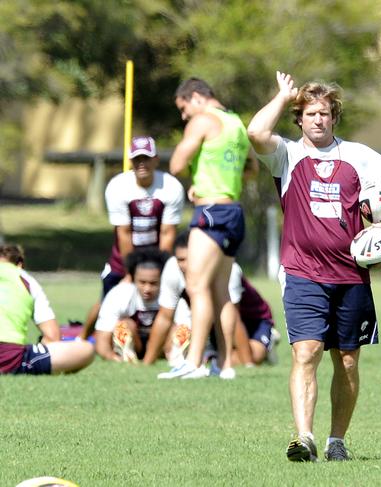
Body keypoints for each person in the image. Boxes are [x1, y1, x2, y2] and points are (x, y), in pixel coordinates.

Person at [247, 71, 381, 461]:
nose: (318, 120)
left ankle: (336, 441)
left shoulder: (359, 156)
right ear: (299, 119)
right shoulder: (287, 156)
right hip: (303, 272)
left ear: (334, 117)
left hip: (351, 275)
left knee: (348, 360)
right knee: (306, 352)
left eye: (324, 113)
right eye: (309, 114)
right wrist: (282, 96)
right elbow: (255, 133)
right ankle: (304, 438)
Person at [158, 78, 256, 380]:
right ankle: (225, 366)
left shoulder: (203, 120)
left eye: (184, 108)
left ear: (197, 98)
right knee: (221, 291)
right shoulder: (236, 123)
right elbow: (250, 167)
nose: (184, 116)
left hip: (211, 212)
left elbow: (176, 164)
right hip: (234, 210)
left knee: (197, 286)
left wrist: (200, 184)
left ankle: (194, 361)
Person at [81, 135, 185, 339]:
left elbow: (167, 233)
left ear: (155, 159)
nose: (142, 164)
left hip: (157, 257)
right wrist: (130, 273)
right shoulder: (118, 186)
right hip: (124, 258)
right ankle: (82, 339)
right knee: (107, 301)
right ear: (131, 161)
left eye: (146, 158)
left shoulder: (171, 187)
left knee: (172, 301)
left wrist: (159, 269)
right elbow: (124, 233)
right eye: (137, 159)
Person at [144, 231, 279, 369]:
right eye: (180, 259)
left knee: (254, 355)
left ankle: (268, 342)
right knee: (174, 344)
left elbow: (234, 319)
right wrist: (147, 363)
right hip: (216, 320)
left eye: (189, 259)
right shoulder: (172, 269)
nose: (184, 265)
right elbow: (165, 317)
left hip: (251, 320)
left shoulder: (227, 269)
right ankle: (209, 355)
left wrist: (248, 364)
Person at [0, 244, 94, 375]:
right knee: (86, 349)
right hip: (9, 359)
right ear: (20, 264)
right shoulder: (25, 278)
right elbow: (53, 336)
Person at [94, 248, 189, 363]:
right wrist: (113, 358)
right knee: (124, 325)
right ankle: (127, 353)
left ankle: (176, 355)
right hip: (136, 341)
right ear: (133, 279)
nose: (147, 289)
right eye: (142, 282)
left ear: (163, 280)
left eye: (153, 283)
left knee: (181, 329)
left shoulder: (174, 295)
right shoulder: (119, 294)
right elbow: (101, 340)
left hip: (162, 346)